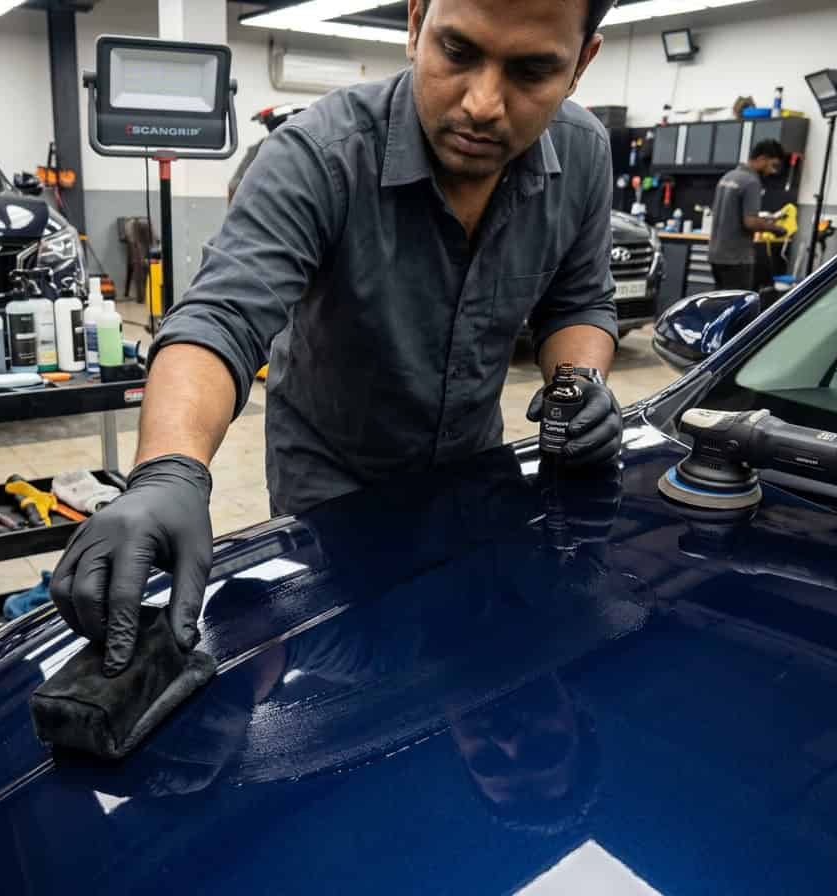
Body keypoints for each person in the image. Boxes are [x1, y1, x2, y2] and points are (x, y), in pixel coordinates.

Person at [52, 0, 625, 675]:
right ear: (415, 20)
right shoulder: (318, 155)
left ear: (582, 63)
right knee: (353, 676)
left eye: (531, 72)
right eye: (458, 52)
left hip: (471, 477)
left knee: (454, 658)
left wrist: (579, 383)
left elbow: (578, 300)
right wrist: (168, 469)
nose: (482, 104)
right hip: (332, 492)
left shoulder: (583, 153)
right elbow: (221, 316)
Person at [708, 139, 787, 291]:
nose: (772, 172)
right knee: (738, 303)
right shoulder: (752, 182)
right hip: (736, 258)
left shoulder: (728, 176)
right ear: (762, 159)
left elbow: (734, 214)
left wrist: (765, 219)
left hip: (716, 255)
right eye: (773, 165)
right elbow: (750, 222)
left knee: (721, 300)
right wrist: (776, 229)